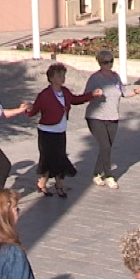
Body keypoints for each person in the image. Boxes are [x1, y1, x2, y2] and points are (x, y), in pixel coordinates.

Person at [26, 62, 100, 197]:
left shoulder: (65, 92)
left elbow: (76, 99)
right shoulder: (45, 95)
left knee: (58, 158)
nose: (62, 78)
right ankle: (55, 184)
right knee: (51, 159)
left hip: (60, 131)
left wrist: (92, 95)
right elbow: (34, 110)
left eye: (63, 75)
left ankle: (45, 183)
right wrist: (28, 110)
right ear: (51, 78)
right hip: (46, 132)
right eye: (59, 75)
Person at [83, 51, 131, 189]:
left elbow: (124, 92)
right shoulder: (95, 78)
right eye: (105, 62)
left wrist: (139, 90)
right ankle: (109, 175)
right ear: (99, 63)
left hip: (113, 116)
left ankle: (97, 173)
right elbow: (85, 95)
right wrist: (94, 94)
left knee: (107, 147)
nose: (109, 64)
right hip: (96, 116)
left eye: (111, 61)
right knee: (105, 146)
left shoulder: (116, 77)